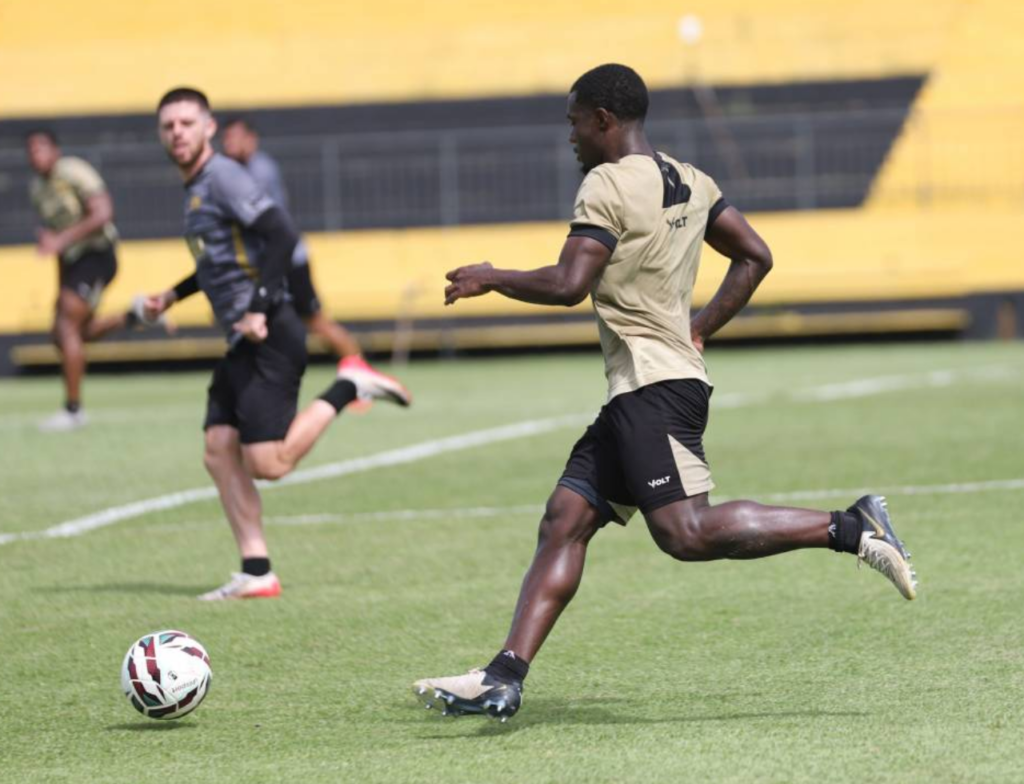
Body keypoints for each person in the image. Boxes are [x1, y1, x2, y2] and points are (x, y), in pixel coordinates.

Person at [412, 64, 917, 721]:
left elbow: (569, 284)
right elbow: (755, 255)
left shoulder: (606, 183)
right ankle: (503, 676)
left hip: (652, 389)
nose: (568, 134)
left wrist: (493, 275)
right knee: (565, 520)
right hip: (648, 385)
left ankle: (851, 526)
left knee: (685, 532)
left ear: (604, 121)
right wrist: (700, 328)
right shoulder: (691, 178)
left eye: (573, 120)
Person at [144, 87, 412, 601]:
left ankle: (349, 384)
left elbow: (283, 234)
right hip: (242, 338)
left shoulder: (222, 176)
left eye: (185, 122)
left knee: (268, 464)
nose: (176, 132)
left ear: (208, 127)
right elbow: (216, 263)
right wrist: (171, 296)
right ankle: (256, 569)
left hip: (269, 333)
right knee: (219, 450)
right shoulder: (196, 186)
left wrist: (259, 308)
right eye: (168, 125)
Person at [219, 117, 379, 397]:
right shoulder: (238, 170)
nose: (229, 144)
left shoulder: (259, 171)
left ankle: (362, 377)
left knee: (315, 321)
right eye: (227, 138)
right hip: (267, 262)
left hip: (287, 260)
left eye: (235, 138)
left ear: (251, 140)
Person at [26, 129, 163, 432]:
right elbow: (57, 246)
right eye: (31, 150)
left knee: (66, 328)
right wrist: (59, 289)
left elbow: (103, 213)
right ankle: (135, 314)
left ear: (55, 150)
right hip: (74, 262)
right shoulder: (38, 189)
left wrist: (62, 240)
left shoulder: (74, 172)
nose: (36, 155)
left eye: (41, 148)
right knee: (66, 335)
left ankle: (73, 411)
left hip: (98, 254)